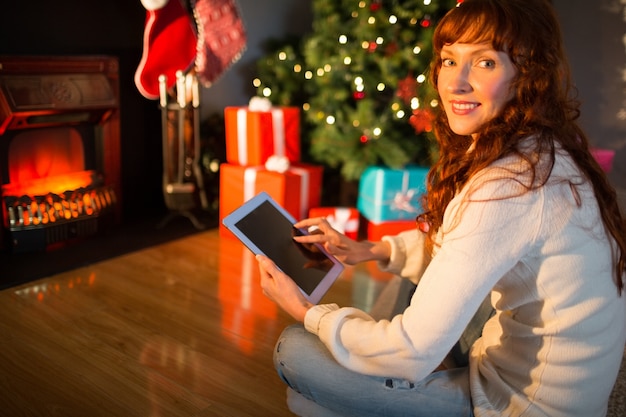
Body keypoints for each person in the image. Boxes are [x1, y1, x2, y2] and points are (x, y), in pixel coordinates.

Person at [255, 0, 626, 415]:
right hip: (546, 374)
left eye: (485, 62)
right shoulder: (543, 150)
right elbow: (463, 242)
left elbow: (411, 351)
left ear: (528, 75)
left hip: (522, 406)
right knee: (412, 290)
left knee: (296, 352)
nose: (455, 83)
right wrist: (368, 249)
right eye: (450, 60)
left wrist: (306, 311)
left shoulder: (508, 187)